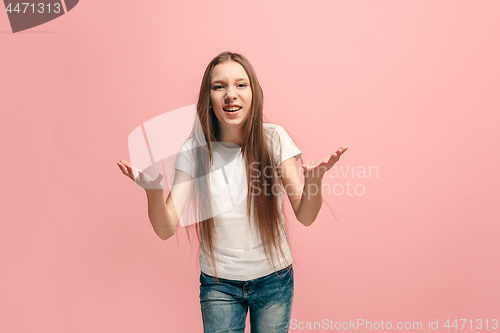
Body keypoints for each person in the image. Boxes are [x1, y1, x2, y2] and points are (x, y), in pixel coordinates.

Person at [117, 51, 348, 333]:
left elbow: (306, 215)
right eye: (219, 86)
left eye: (241, 85)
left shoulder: (274, 139)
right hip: (218, 286)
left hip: (274, 281)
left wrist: (315, 182)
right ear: (208, 98)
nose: (230, 94)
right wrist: (153, 192)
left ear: (254, 93)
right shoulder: (194, 151)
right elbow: (165, 229)